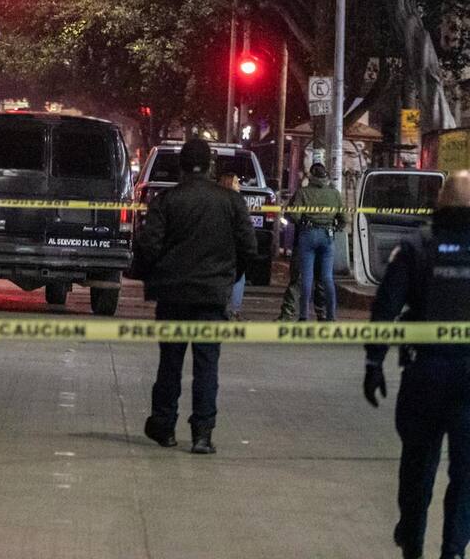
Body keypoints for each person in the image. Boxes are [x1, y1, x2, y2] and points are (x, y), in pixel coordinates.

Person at [364, 170, 470, 559]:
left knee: (417, 464)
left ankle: (411, 538)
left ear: (440, 201)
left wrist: (373, 363)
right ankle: (454, 550)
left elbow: (386, 307)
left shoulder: (416, 247)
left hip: (424, 373)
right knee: (466, 473)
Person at [134, 137, 258, 454]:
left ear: (181, 165)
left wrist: (153, 276)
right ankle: (202, 433)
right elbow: (249, 249)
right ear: (210, 165)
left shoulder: (165, 201)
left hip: (173, 295)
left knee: (170, 364)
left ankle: (164, 426)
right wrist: (228, 277)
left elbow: (148, 247)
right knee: (207, 366)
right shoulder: (231, 202)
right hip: (212, 296)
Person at [285, 162, 345, 321]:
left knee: (306, 278)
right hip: (327, 237)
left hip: (308, 235)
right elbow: (344, 219)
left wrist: (302, 221)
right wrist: (335, 227)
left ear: (311, 176)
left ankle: (303, 316)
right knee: (327, 278)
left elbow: (295, 216)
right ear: (325, 176)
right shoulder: (335, 194)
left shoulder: (303, 193)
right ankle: (331, 316)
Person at [218, 172, 247, 320]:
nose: (239, 185)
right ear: (229, 184)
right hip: (231, 246)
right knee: (238, 277)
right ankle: (233, 311)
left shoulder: (215, 200)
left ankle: (225, 309)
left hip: (221, 245)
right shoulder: (237, 202)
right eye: (236, 182)